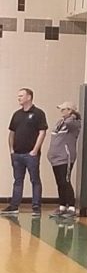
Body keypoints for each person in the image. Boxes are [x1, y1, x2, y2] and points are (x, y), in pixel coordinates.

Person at [3, 88, 48, 216]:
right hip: (17, 154)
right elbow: (11, 133)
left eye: (21, 96)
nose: (19, 98)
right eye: (18, 96)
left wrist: (35, 150)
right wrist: (11, 150)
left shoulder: (38, 113)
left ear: (29, 97)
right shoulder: (17, 114)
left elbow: (42, 132)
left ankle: (36, 206)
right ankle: (14, 205)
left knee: (35, 179)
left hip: (31, 154)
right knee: (17, 180)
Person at [47, 101, 81, 219]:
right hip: (55, 158)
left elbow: (71, 123)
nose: (61, 112)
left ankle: (71, 207)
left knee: (65, 181)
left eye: (63, 109)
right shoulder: (60, 122)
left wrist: (73, 115)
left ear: (70, 110)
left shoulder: (74, 123)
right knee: (59, 182)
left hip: (65, 157)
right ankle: (62, 206)